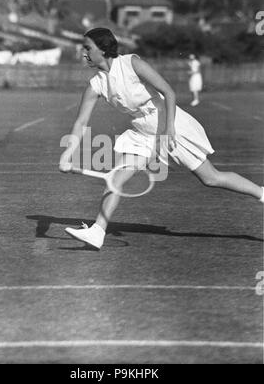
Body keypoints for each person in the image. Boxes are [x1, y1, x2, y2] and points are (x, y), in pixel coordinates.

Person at [59, 28, 264, 250]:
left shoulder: (132, 63)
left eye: (88, 48)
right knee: (115, 180)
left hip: (171, 123)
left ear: (104, 49)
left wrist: (168, 131)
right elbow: (81, 123)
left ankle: (262, 193)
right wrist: (67, 154)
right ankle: (98, 231)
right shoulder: (95, 85)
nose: (84, 54)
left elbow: (169, 92)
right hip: (142, 132)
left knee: (211, 178)